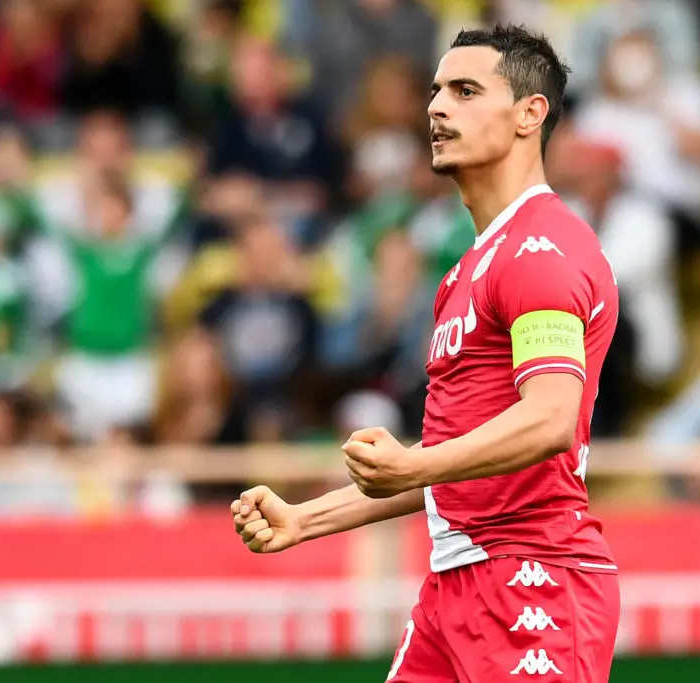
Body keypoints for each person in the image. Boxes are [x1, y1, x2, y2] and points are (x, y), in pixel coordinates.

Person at [232, 24, 621, 682]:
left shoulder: (543, 249)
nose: (437, 107)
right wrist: (305, 518)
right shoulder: (464, 272)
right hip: (454, 588)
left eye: (466, 91)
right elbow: (451, 462)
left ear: (530, 114)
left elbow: (552, 417)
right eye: (437, 91)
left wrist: (412, 466)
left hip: (532, 581)